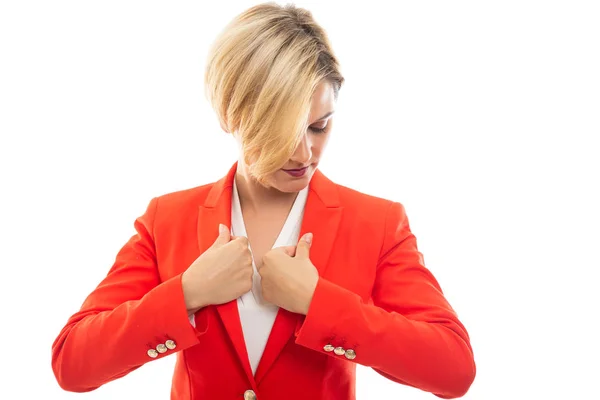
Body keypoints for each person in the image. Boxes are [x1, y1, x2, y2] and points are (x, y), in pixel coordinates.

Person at [51, 3, 476, 399]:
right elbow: (72, 362)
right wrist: (187, 294)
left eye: (319, 127)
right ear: (231, 114)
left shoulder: (377, 222)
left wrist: (318, 302)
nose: (304, 154)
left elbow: (453, 367)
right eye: (284, 131)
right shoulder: (167, 219)